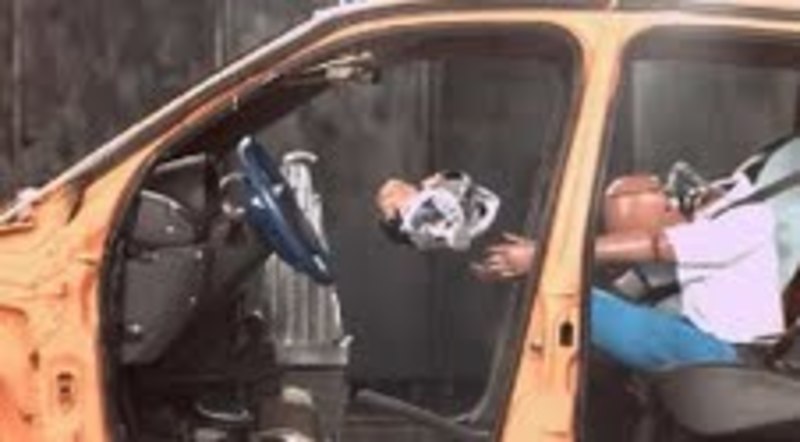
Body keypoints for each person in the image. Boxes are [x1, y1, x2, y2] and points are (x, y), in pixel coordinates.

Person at [376, 170, 783, 372]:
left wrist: (543, 257)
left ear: (667, 208)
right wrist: (516, 259)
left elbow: (654, 245)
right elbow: (623, 282)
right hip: (700, 338)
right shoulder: (709, 218)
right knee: (571, 292)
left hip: (729, 356)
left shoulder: (745, 221)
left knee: (574, 303)